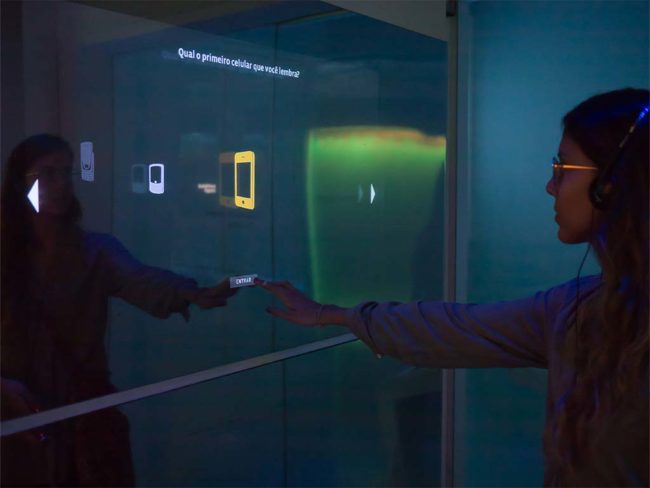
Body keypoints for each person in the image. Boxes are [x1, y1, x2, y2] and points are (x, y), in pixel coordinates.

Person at [256, 87, 649, 487]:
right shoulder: (577, 307)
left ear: (612, 183)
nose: (551, 185)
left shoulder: (580, 309)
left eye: (563, 167)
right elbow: (454, 326)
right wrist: (332, 314)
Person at [0, 134, 238, 486]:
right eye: (48, 174)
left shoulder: (93, 250)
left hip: (84, 412)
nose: (62, 183)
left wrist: (192, 293)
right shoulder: (8, 253)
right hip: (19, 416)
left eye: (67, 172)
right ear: (22, 183)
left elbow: (140, 279)